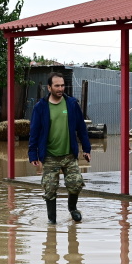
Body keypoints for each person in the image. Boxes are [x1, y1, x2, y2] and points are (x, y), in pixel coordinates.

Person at [28, 72, 92, 224]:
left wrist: (87, 149)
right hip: (49, 156)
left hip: (69, 155)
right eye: (57, 86)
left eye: (62, 85)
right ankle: (52, 220)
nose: (60, 88)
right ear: (49, 87)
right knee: (50, 189)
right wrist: (33, 154)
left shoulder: (71, 104)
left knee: (76, 183)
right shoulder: (41, 107)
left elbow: (81, 129)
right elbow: (34, 132)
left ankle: (72, 208)